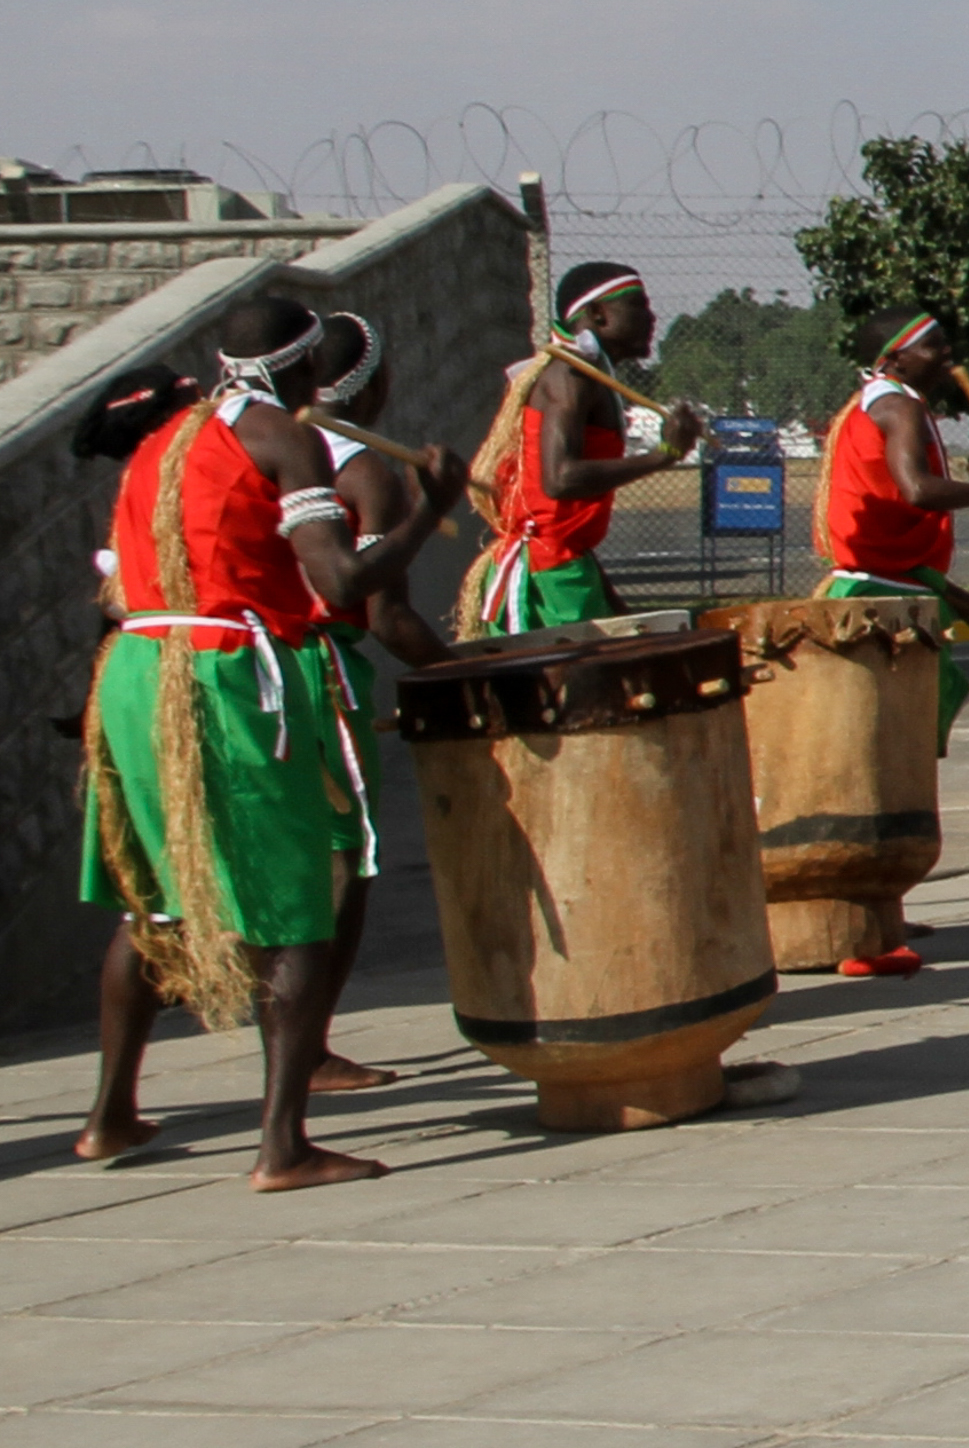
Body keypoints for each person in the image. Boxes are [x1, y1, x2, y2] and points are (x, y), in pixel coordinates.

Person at [74, 301, 451, 1190]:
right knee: (295, 905)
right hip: (227, 676)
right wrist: (428, 508)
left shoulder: (165, 436)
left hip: (135, 672)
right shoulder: (286, 437)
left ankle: (110, 1117)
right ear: (303, 371)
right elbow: (344, 579)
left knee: (158, 902)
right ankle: (282, 1144)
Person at [819, 313, 969, 745]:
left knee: (913, 725)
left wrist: (955, 596)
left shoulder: (889, 401)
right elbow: (917, 490)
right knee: (899, 736)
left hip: (893, 581)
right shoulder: (897, 407)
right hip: (878, 596)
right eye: (933, 346)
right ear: (896, 358)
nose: (947, 354)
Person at [472, 261, 702, 636]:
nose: (652, 316)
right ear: (598, 314)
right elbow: (560, 479)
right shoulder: (572, 374)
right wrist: (663, 455)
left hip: (567, 563)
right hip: (550, 572)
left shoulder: (586, 373)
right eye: (639, 305)